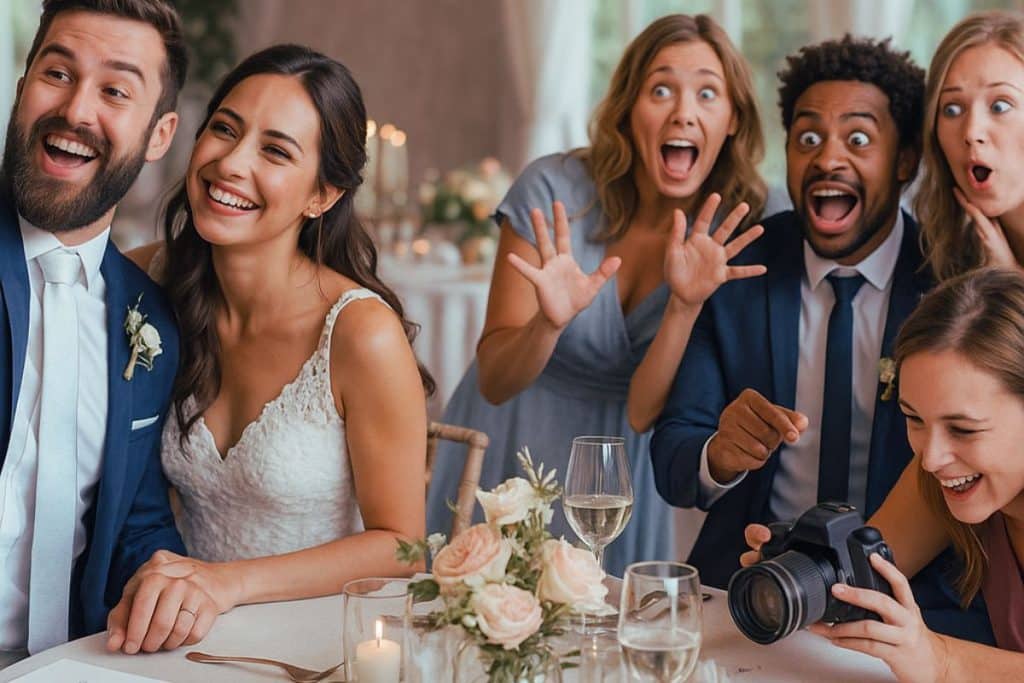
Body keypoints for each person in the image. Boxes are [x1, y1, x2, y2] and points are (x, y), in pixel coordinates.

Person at [649, 34, 991, 641]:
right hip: (750, 591)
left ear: (906, 160)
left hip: (913, 606)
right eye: (807, 138)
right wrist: (720, 455)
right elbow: (674, 464)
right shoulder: (738, 267)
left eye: (858, 139)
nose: (827, 159)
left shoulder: (951, 282)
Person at [104, 44, 431, 655]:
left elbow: (403, 545)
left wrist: (226, 583)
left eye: (275, 151)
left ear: (322, 195)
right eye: (225, 130)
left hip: (319, 643)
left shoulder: (360, 334)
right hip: (182, 636)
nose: (230, 163)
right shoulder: (145, 286)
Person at [426, 14, 768, 577]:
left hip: (616, 477)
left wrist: (684, 305)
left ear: (732, 120)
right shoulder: (552, 189)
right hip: (514, 442)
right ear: (630, 109)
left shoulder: (741, 226)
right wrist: (548, 325)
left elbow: (642, 414)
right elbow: (495, 378)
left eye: (708, 93)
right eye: (661, 89)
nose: (684, 111)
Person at [0, 0, 186, 665]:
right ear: (22, 89)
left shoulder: (150, 317)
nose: (77, 110)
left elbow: (135, 516)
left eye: (114, 90)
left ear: (159, 134)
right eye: (57, 73)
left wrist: (169, 579)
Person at [743, 267, 1024, 680]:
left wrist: (940, 659)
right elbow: (860, 585)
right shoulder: (946, 469)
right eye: (914, 419)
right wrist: (800, 571)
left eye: (963, 429)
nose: (931, 459)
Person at [916, 9, 1024, 281]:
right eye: (952, 109)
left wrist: (1011, 281)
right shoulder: (941, 255)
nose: (972, 131)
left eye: (1000, 106)